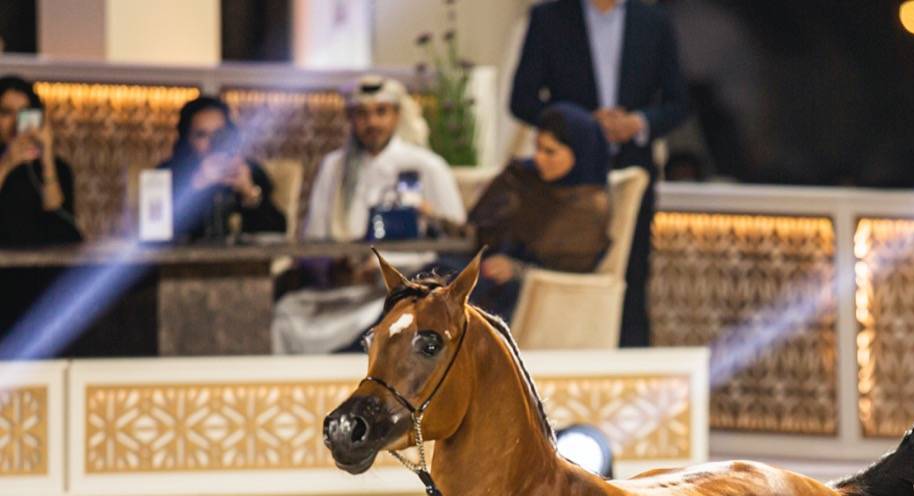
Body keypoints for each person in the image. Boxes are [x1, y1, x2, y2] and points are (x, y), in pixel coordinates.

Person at [510, 0, 691, 347]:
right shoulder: (549, 18)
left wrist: (638, 123)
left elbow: (678, 101)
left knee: (632, 277)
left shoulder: (653, 21)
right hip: (566, 180)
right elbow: (521, 99)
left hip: (632, 170)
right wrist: (579, 126)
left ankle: (629, 373)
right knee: (559, 272)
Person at [272, 76, 466, 355]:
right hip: (343, 290)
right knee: (287, 317)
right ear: (350, 118)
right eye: (362, 114)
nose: (372, 122)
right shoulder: (333, 168)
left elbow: (457, 240)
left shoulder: (427, 166)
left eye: (381, 112)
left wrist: (427, 215)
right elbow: (314, 240)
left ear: (396, 115)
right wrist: (337, 266)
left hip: (405, 292)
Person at [439, 102, 611, 321]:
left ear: (580, 153)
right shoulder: (523, 179)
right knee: (433, 276)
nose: (539, 158)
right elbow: (481, 229)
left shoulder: (588, 206)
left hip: (525, 291)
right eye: (537, 148)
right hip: (485, 268)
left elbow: (573, 264)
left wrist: (519, 269)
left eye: (550, 152)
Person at [158, 95, 287, 241]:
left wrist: (249, 194)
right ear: (187, 140)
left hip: (241, 262)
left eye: (220, 134)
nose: (213, 142)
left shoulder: (249, 171)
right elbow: (155, 236)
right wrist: (195, 186)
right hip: (183, 263)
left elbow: (278, 233)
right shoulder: (166, 175)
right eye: (202, 135)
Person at [0, 75, 81, 246]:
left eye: (24, 113)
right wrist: (7, 163)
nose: (16, 122)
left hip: (44, 267)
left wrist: (47, 159)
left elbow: (59, 221)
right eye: (7, 113)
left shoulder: (59, 168)